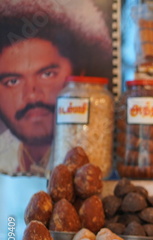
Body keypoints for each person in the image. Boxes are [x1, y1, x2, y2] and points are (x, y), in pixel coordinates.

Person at [0, 0, 113, 176]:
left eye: (47, 74)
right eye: (13, 81)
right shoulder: (3, 156)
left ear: (79, 75)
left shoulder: (93, 161)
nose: (31, 95)